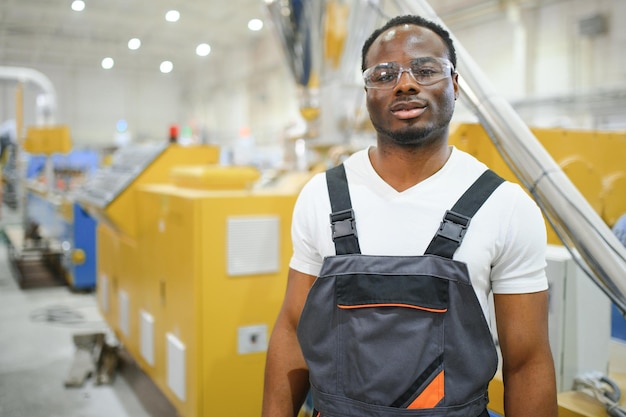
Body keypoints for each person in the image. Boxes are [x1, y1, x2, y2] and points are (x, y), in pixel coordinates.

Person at [262, 14, 557, 417]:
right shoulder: (322, 197)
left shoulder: (504, 206)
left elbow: (527, 364)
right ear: (367, 93)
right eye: (384, 74)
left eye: (426, 69)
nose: (405, 83)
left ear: (454, 84)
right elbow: (293, 331)